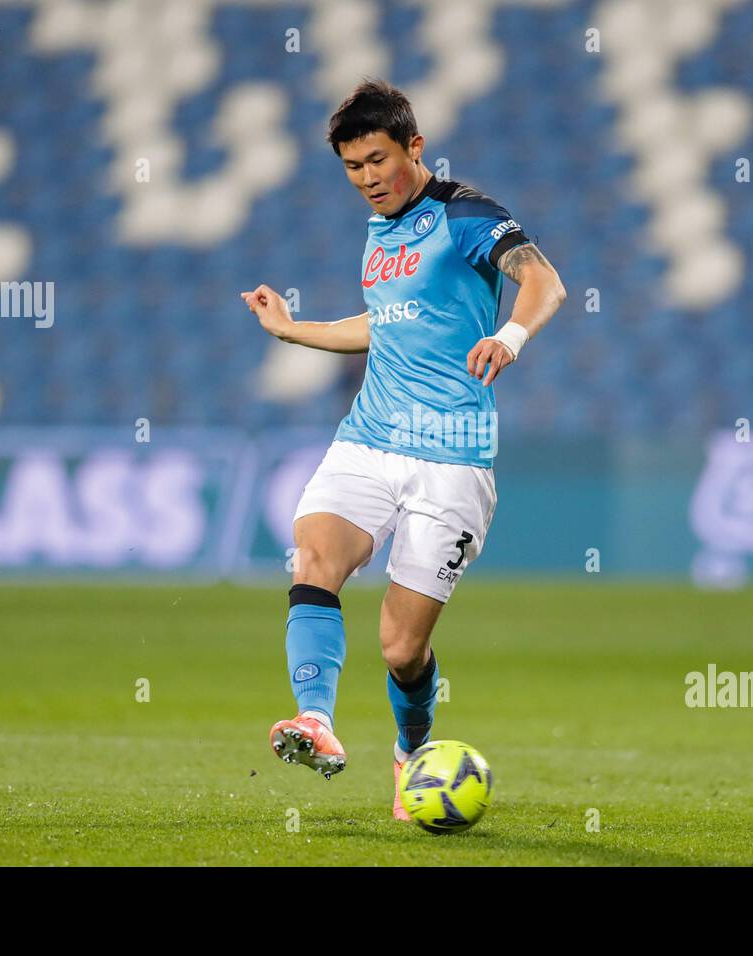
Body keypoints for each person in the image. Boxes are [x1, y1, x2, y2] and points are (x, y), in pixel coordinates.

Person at [240, 78, 566, 819]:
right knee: (315, 555)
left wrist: (509, 336)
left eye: (378, 160)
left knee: (401, 651)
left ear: (414, 147)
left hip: (452, 455)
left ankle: (407, 748)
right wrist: (295, 330)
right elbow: (387, 321)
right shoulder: (377, 229)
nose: (367, 179)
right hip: (369, 437)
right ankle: (315, 721)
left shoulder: (467, 215)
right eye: (353, 168)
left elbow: (544, 282)